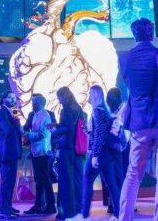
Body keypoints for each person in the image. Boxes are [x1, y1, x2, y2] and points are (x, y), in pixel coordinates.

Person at [117, 18, 158, 221]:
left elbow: (129, 86)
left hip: (139, 124)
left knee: (133, 175)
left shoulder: (125, 58)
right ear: (151, 33)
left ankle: (124, 218)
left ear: (134, 34)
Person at [82, 85, 122, 220]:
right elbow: (99, 132)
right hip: (108, 153)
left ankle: (85, 215)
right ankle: (118, 214)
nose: (88, 97)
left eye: (90, 94)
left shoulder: (98, 111)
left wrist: (95, 155)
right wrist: (87, 132)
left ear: (94, 95)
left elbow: (100, 135)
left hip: (100, 153)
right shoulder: (104, 110)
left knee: (87, 179)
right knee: (111, 183)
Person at [51, 87, 86, 221]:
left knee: (67, 182)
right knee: (78, 180)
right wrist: (58, 124)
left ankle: (68, 213)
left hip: (68, 149)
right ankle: (78, 210)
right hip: (78, 148)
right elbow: (74, 126)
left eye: (59, 97)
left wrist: (55, 130)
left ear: (64, 96)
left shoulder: (66, 109)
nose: (59, 100)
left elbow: (68, 128)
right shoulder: (78, 108)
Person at [0, 91, 22, 221]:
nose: (13, 99)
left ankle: (8, 208)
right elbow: (8, 129)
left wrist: (17, 124)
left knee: (10, 183)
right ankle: (4, 211)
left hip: (13, 152)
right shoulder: (1, 113)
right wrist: (15, 122)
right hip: (6, 153)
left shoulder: (12, 112)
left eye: (14, 97)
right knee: (5, 183)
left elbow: (17, 130)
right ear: (3, 99)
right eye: (10, 97)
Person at [23, 95, 55, 215]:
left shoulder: (45, 115)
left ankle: (50, 205)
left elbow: (43, 134)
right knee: (40, 180)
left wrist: (28, 135)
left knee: (45, 179)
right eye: (32, 102)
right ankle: (39, 205)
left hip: (43, 152)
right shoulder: (35, 115)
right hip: (37, 152)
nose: (32, 104)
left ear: (41, 103)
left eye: (34, 102)